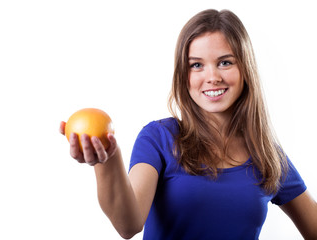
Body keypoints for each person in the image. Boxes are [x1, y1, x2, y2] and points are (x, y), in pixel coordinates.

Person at [60, 9, 317, 240]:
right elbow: (128, 224)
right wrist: (107, 161)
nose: (212, 77)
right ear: (184, 75)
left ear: (245, 70)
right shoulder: (158, 138)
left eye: (225, 62)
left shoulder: (266, 153)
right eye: (196, 65)